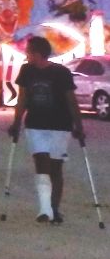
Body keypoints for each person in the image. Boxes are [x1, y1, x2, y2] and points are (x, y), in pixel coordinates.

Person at [9, 35, 83, 224]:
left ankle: (54, 208)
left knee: (56, 167)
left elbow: (70, 99)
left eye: (28, 52)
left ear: (37, 53)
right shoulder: (27, 71)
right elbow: (22, 98)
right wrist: (17, 121)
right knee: (41, 162)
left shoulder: (61, 72)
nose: (26, 55)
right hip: (35, 124)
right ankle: (45, 209)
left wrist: (78, 125)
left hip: (60, 125)